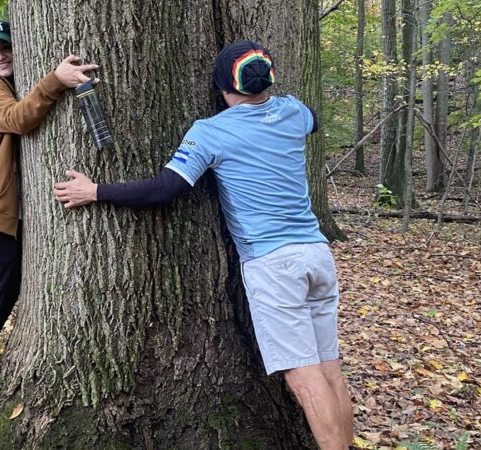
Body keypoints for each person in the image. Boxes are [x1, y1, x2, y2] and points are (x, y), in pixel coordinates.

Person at [52, 40, 354, 450]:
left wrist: (96, 191)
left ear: (220, 87)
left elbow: (164, 189)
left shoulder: (211, 132)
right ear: (268, 80)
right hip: (316, 254)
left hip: (273, 264)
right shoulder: (294, 112)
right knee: (330, 369)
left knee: (303, 378)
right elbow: (313, 120)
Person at [0, 19, 98, 435]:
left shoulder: (3, 83)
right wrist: (56, 80)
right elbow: (19, 119)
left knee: (8, 292)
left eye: (5, 47)